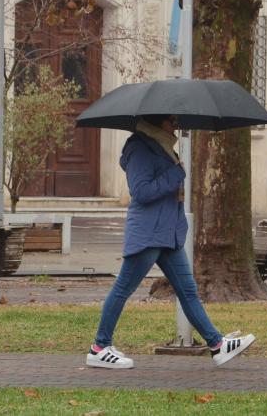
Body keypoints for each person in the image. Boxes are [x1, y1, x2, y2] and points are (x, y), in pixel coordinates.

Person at [86, 114, 255, 369]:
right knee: (123, 288)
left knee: (188, 292)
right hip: (149, 233)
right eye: (171, 120)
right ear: (156, 122)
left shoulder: (162, 147)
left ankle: (217, 345)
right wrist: (175, 174)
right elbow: (141, 192)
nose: (175, 125)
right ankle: (99, 347)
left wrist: (175, 173)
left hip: (168, 235)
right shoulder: (140, 148)